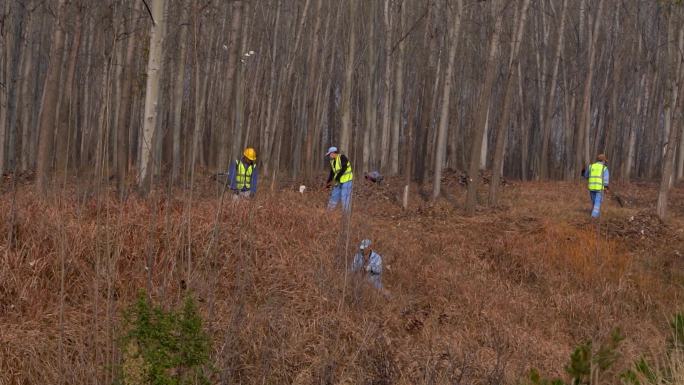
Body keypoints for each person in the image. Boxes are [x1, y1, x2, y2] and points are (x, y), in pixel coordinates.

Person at [325, 146, 353, 212]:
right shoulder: (332, 161)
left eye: (330, 154)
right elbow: (332, 172)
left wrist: (336, 179)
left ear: (334, 153)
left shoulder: (342, 157)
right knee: (334, 196)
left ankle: (346, 215)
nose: (329, 156)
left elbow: (343, 169)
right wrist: (328, 182)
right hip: (338, 182)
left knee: (345, 197)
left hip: (347, 181)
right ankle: (328, 212)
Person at [582, 154, 610, 218]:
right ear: (603, 161)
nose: (605, 162)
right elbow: (606, 180)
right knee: (598, 202)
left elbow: (586, 176)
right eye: (605, 161)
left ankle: (597, 214)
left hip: (591, 187)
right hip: (599, 188)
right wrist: (606, 187)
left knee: (594, 201)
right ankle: (594, 216)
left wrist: (583, 172)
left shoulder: (591, 166)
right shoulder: (604, 168)